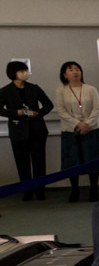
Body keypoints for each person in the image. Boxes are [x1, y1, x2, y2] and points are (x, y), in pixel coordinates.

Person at [0, 61, 54, 200]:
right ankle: (27, 191)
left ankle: (40, 190)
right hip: (18, 131)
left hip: (37, 129)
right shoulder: (5, 91)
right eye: (21, 71)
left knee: (39, 161)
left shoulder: (34, 88)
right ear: (14, 73)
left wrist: (39, 113)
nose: (25, 73)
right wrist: (14, 113)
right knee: (22, 162)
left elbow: (48, 105)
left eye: (25, 70)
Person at [54, 60, 99, 201]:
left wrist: (87, 124)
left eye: (77, 69)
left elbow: (97, 109)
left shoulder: (90, 89)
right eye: (70, 70)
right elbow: (61, 110)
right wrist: (78, 124)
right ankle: (75, 190)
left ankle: (94, 190)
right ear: (64, 75)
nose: (75, 72)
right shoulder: (61, 91)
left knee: (92, 159)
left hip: (92, 129)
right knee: (72, 162)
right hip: (71, 130)